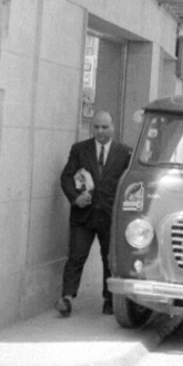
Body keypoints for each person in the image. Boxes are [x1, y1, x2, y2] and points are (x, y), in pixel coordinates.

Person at [56, 111, 131, 317]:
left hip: (110, 217)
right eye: (96, 127)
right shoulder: (79, 149)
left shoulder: (124, 153)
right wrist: (75, 198)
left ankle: (109, 300)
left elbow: (129, 184)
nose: (99, 131)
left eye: (104, 127)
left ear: (113, 127)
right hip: (83, 216)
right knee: (76, 256)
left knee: (109, 258)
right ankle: (67, 298)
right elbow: (66, 177)